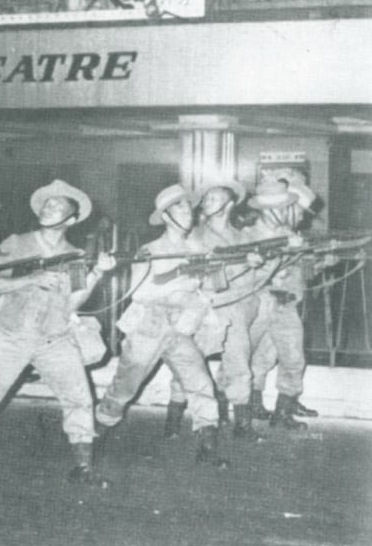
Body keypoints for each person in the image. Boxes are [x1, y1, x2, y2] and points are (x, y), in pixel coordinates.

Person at [0, 179, 117, 486]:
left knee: (80, 398)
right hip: (10, 335)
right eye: (46, 204)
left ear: (71, 219)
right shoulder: (16, 243)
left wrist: (98, 274)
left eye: (57, 206)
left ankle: (83, 467)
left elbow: (73, 302)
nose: (48, 208)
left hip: (54, 338)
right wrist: (30, 279)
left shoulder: (75, 255)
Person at [96, 184, 228, 467]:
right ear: (166, 216)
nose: (188, 211)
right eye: (179, 207)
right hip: (150, 325)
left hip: (181, 327)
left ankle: (208, 447)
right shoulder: (151, 250)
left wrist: (202, 290)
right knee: (125, 386)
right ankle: (97, 435)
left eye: (188, 206)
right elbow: (140, 293)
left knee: (201, 383)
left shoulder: (200, 248)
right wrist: (179, 283)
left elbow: (214, 287)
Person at [164, 180, 265, 443]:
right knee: (187, 366)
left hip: (234, 308)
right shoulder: (194, 235)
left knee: (239, 365)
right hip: (202, 308)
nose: (206, 202)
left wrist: (255, 265)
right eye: (205, 198)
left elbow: (258, 278)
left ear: (229, 204)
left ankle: (242, 424)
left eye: (214, 198)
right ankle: (173, 419)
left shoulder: (244, 237)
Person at [245, 181, 333, 430]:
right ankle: (248, 406)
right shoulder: (248, 236)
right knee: (254, 358)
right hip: (261, 303)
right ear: (267, 209)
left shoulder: (290, 236)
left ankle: (282, 413)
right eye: (286, 208)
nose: (292, 214)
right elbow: (248, 274)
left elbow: (301, 272)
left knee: (293, 358)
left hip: (285, 305)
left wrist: (322, 262)